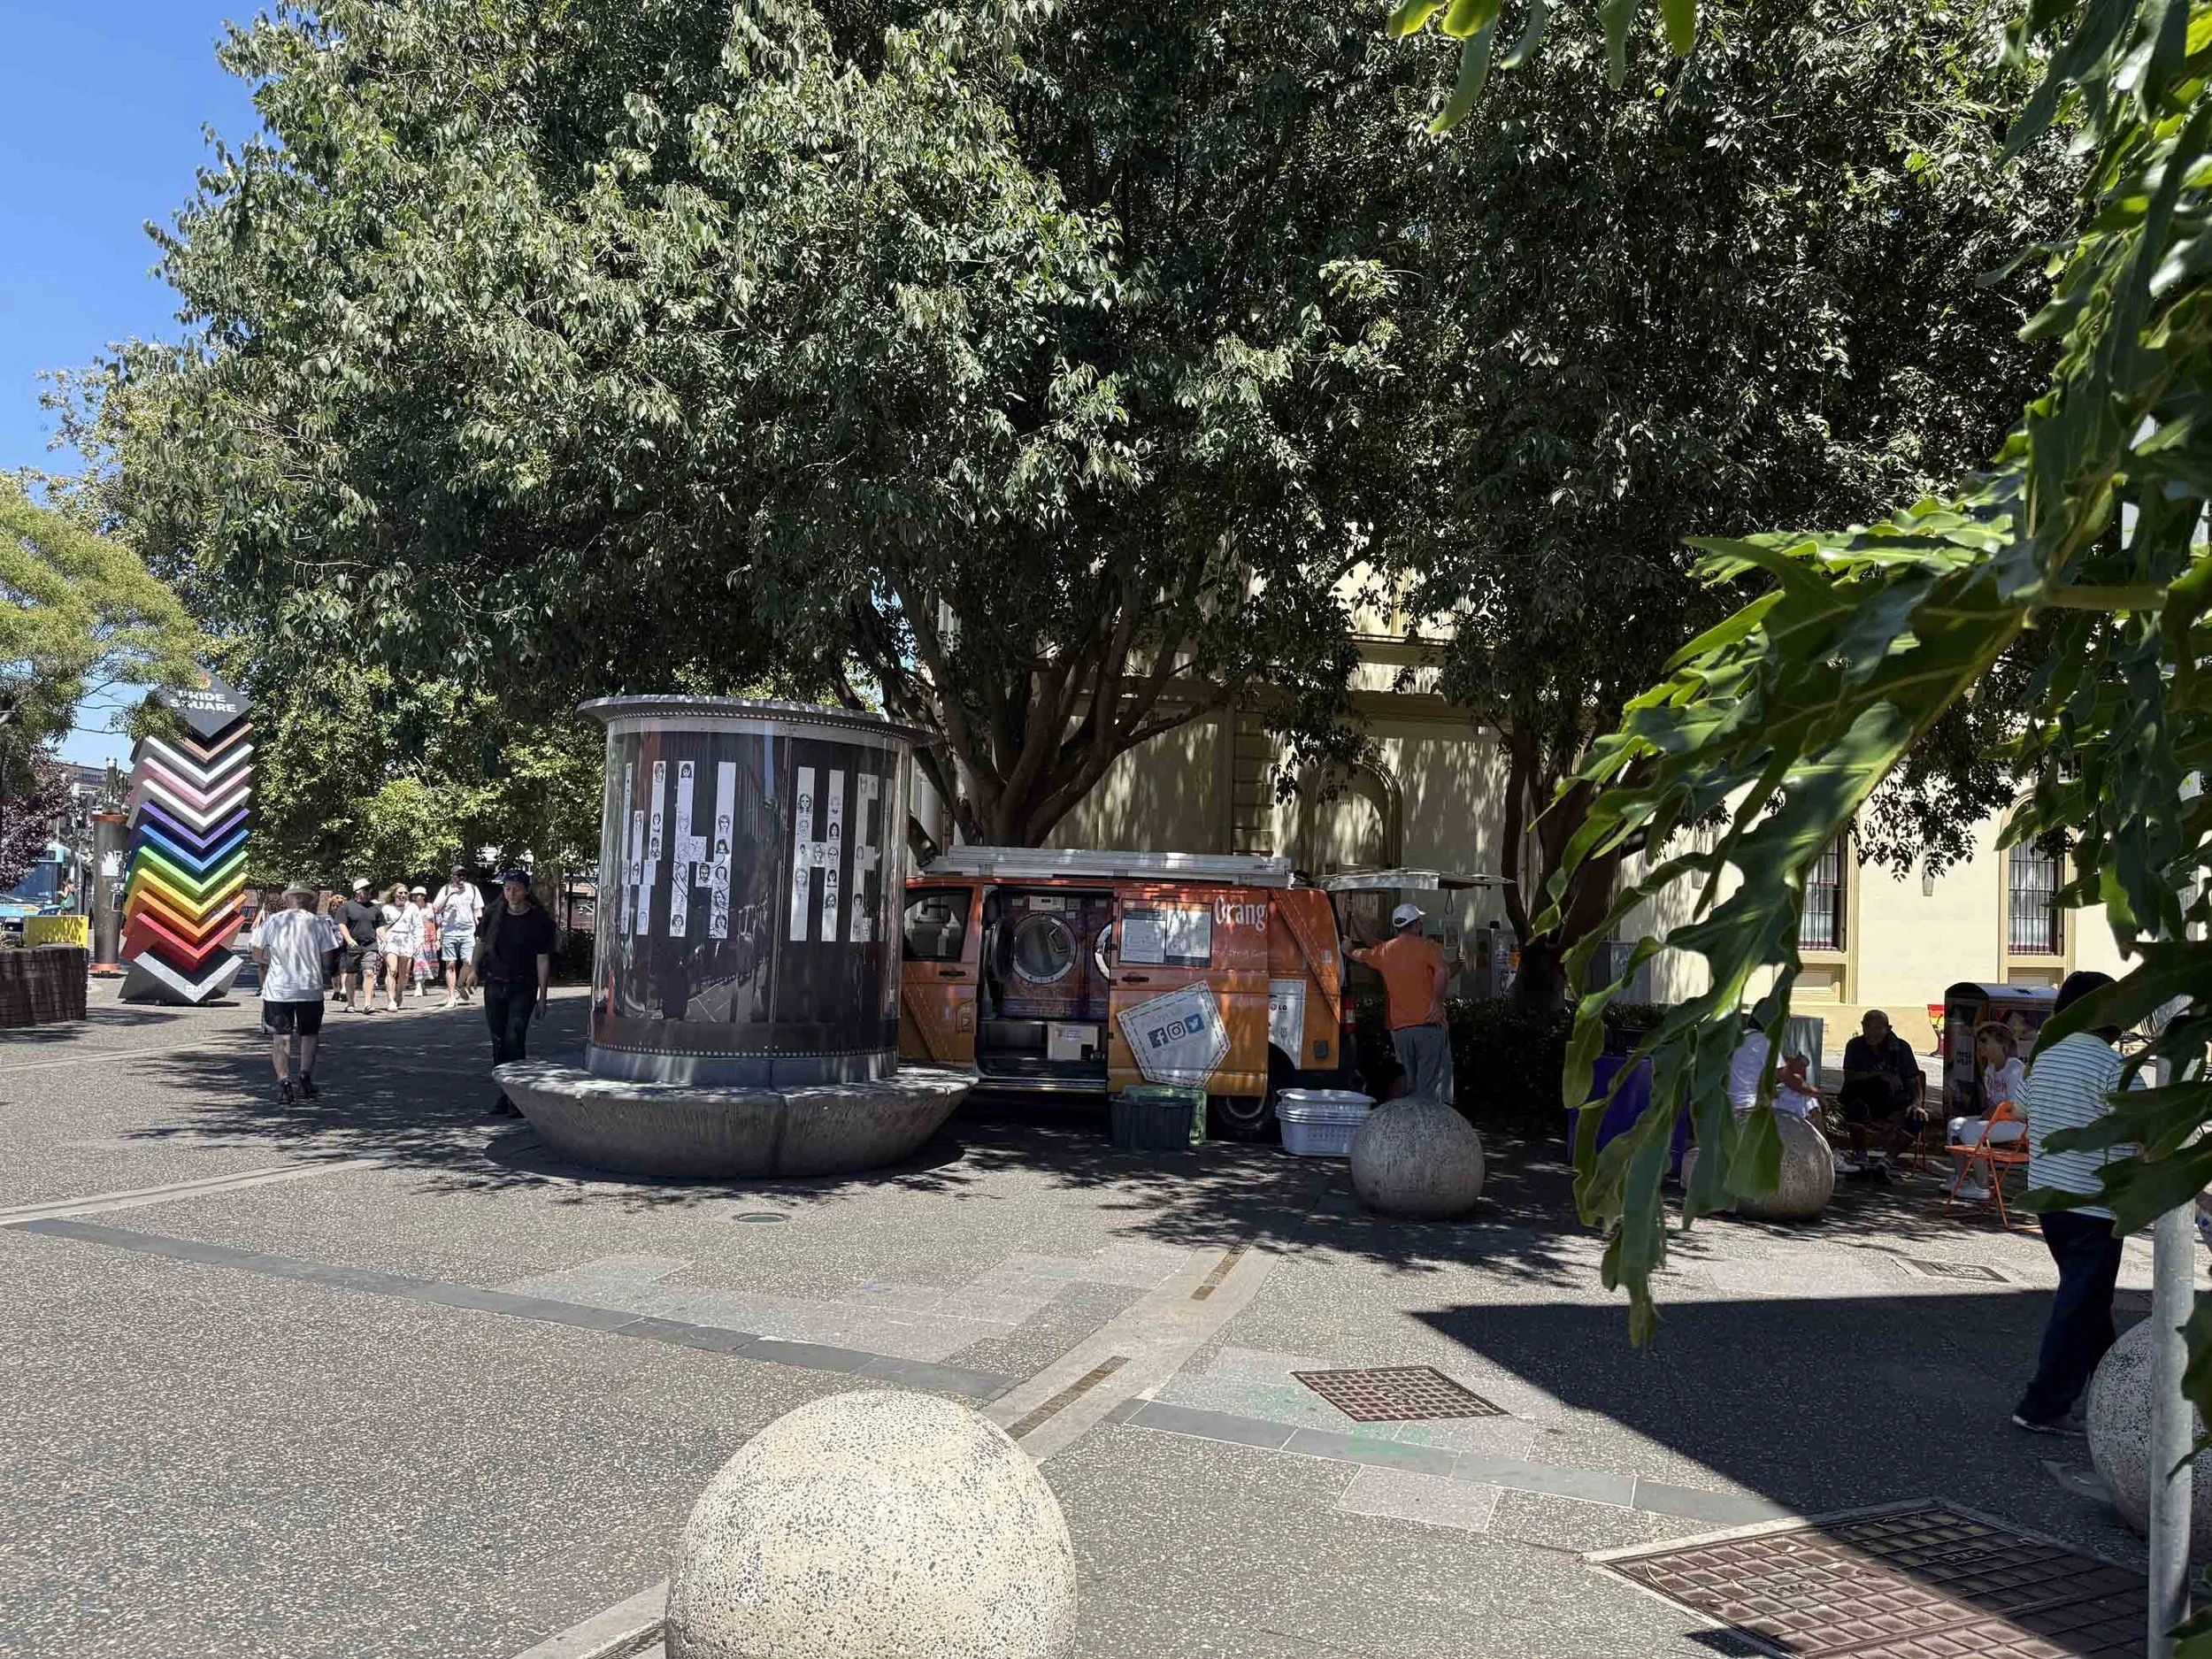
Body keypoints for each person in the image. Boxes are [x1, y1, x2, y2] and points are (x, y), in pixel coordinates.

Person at [2014, 970, 2135, 1435]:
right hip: (2096, 1206)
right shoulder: (2112, 1066)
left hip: (2051, 1201)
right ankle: (2042, 1405)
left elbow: (2020, 1107)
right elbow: (2140, 1128)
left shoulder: (2046, 1058)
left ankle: (2118, 1392)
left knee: (2089, 1300)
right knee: (2079, 1303)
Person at [1347, 902, 1455, 1102]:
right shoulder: (1430, 948)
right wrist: (1438, 1003)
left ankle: (1407, 1128)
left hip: (1400, 1031)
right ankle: (1428, 1130)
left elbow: (1360, 952)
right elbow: (1443, 970)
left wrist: (1348, 946)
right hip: (1429, 1026)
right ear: (1417, 925)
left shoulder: (1386, 951)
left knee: (1408, 1085)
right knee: (1429, 1089)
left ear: (1397, 927)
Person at [473, 868, 557, 1118]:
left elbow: (543, 959)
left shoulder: (539, 921)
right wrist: (472, 968)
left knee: (514, 1039)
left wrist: (543, 996)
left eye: (516, 888)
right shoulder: (493, 914)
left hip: (524, 986)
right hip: (495, 984)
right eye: (507, 888)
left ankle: (517, 1097)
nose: (511, 893)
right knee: (498, 1042)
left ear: (526, 890)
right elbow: (481, 942)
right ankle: (503, 1094)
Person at [250, 885, 328, 1103]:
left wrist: (273, 962)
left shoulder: (273, 921)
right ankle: (304, 1079)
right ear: (309, 901)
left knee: (281, 1037)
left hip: (278, 988)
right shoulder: (318, 922)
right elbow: (328, 957)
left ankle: (284, 1083)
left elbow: (257, 952)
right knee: (309, 1035)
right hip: (309, 987)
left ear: (288, 900)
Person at [1839, 1009, 1929, 1177]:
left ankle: (1886, 1162)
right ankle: (1861, 1157)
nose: (1872, 1034)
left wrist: (1917, 1104)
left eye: (1878, 1029)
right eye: (1868, 1028)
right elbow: (1849, 1077)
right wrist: (1879, 1074)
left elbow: (1914, 1081)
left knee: (1917, 1118)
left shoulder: (1901, 1048)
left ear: (1888, 1029)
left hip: (1893, 1100)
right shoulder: (1855, 1046)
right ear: (1862, 1026)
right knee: (1854, 1107)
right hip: (1863, 1096)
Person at [1946, 1021, 2028, 1200]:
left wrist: (1985, 1119)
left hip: (2018, 1124)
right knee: (1954, 1125)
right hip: (1998, 1121)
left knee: (1969, 1129)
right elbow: (1991, 1103)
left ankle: (1982, 1185)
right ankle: (1960, 1178)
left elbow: (2014, 1107)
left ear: (2002, 1044)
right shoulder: (1990, 1069)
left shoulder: (2015, 1068)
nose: (1979, 1046)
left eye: (1984, 1040)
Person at [1725, 1018, 1820, 1117]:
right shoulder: (1762, 1042)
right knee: (1807, 1100)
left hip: (1733, 1101)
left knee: (1799, 1095)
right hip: (1750, 1104)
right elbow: (1791, 1082)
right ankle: (1815, 1130)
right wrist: (1818, 1094)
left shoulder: (1743, 1037)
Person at [434, 867, 483, 1009]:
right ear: (452, 877)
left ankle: (459, 984)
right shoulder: (445, 890)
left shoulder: (472, 889)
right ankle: (451, 997)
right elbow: (437, 909)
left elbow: (478, 911)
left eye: (463, 875)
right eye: (458, 876)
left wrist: (480, 929)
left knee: (468, 962)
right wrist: (449, 895)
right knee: (450, 964)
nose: (461, 878)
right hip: (449, 932)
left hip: (468, 931)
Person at [339, 878, 382, 1013]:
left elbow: (380, 927)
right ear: (357, 891)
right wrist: (349, 940)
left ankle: (368, 1004)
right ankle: (351, 1003)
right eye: (366, 889)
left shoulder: (375, 908)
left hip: (370, 945)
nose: (370, 891)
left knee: (369, 972)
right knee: (351, 974)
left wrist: (384, 940)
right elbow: (342, 924)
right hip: (352, 946)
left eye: (370, 889)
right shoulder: (346, 906)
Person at [379, 883, 420, 1012]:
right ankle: (391, 1000)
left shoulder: (412, 908)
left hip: (407, 940)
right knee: (392, 970)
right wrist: (382, 940)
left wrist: (418, 942)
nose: (403, 895)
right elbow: (380, 926)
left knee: (405, 973)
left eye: (405, 893)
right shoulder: (386, 908)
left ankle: (399, 992)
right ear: (394, 894)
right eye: (400, 893)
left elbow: (418, 926)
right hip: (391, 940)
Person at [411, 885, 438, 994]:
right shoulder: (411, 908)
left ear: (423, 896)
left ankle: (423, 984)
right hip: (417, 938)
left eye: (417, 895)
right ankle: (418, 985)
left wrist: (438, 939)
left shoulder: (432, 907)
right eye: (414, 895)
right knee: (419, 960)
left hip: (430, 939)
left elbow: (437, 923)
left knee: (428, 962)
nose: (415, 897)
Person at [319, 893, 347, 996]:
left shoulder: (346, 917)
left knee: (344, 967)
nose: (336, 908)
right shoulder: (326, 918)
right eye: (334, 905)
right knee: (333, 969)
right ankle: (337, 990)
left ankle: (344, 989)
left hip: (344, 945)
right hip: (331, 947)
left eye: (339, 906)